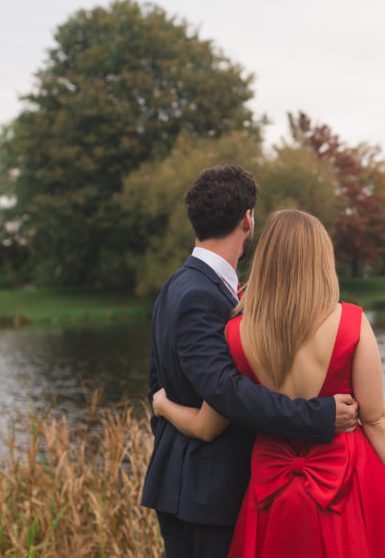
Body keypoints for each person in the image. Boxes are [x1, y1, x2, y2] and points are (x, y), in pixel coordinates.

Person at [153, 209, 385, 557]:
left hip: (270, 489)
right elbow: (375, 420)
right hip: (346, 484)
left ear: (267, 260)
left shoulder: (236, 333)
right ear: (320, 259)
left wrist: (162, 405)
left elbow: (210, 424)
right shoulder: (352, 323)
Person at [141, 166, 360, 557]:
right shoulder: (198, 294)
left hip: (184, 487)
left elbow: (157, 381)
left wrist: (163, 408)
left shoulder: (177, 285)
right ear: (247, 218)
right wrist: (317, 416)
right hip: (207, 494)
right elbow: (226, 391)